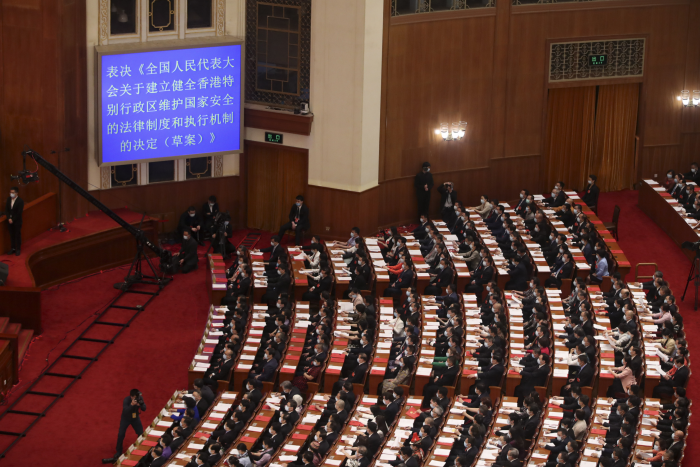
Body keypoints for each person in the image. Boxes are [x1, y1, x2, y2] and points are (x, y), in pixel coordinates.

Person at [102, 389, 147, 463]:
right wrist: (132, 404)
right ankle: (119, 451)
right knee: (121, 434)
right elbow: (125, 410)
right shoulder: (126, 400)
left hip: (135, 418)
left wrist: (141, 405)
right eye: (136, 397)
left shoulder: (140, 398)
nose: (138, 398)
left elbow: (144, 409)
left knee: (140, 433)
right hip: (125, 419)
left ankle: (141, 449)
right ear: (131, 397)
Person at [5, 186, 23, 256]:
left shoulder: (20, 201)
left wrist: (13, 219)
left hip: (17, 221)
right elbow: (7, 210)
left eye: (12, 192)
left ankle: (18, 249)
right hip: (9, 221)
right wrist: (9, 218)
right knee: (11, 235)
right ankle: (13, 248)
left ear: (17, 193)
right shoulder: (9, 199)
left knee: (17, 235)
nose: (11, 194)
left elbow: (19, 212)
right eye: (10, 192)